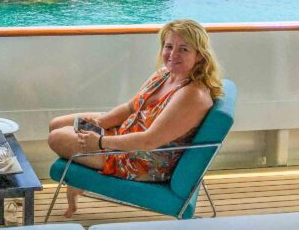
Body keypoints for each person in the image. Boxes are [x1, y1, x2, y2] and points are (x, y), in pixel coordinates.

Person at [47, 19, 223, 218]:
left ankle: (79, 177)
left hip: (141, 159)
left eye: (183, 49)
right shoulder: (165, 74)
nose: (172, 55)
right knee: (58, 123)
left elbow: (149, 141)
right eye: (169, 46)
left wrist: (101, 142)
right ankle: (80, 177)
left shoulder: (191, 95)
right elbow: (131, 107)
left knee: (57, 137)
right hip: (128, 133)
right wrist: (102, 123)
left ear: (199, 55)